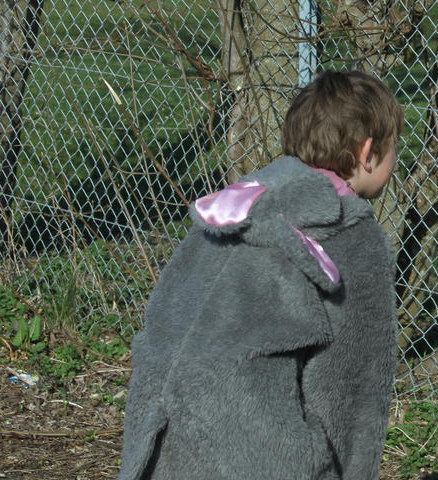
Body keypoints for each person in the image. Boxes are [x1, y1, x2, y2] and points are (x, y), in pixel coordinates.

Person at [117, 71, 403, 480]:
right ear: (368, 151)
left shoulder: (229, 211)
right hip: (264, 453)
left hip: (167, 440)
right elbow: (349, 385)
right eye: (394, 147)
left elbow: (165, 323)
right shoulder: (350, 235)